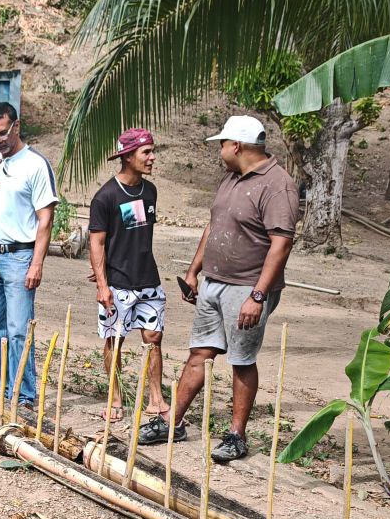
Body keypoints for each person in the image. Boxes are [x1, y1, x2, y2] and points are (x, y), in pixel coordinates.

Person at [138, 115, 300, 463]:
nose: (219, 151)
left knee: (241, 360)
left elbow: (281, 243)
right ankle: (173, 422)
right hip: (214, 282)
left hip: (247, 287)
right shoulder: (230, 178)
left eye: (222, 145)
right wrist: (194, 271)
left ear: (237, 146)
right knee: (200, 352)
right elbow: (214, 226)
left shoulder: (278, 185)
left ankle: (236, 436)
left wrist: (257, 296)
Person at [0, 101, 57, 408]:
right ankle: (0, 386)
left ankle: (24, 394)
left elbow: (46, 219)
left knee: (19, 329)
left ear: (16, 126)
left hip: (20, 257)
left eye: (3, 133)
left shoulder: (35, 165)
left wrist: (37, 263)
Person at [88, 128, 166, 420]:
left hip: (149, 280)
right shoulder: (105, 197)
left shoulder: (150, 191)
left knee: (153, 338)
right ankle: (115, 398)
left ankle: (156, 399)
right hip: (118, 283)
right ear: (128, 156)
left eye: (152, 151)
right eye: (146, 152)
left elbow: (135, 233)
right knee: (114, 340)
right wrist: (102, 284)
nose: (152, 157)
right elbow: (97, 242)